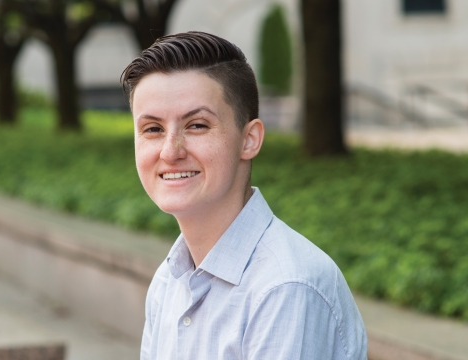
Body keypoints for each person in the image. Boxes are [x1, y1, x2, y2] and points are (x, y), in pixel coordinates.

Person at [121, 31, 367, 360]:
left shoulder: (285, 287)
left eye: (196, 125)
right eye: (152, 129)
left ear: (249, 139)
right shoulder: (170, 280)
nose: (170, 151)